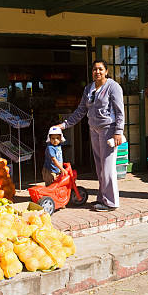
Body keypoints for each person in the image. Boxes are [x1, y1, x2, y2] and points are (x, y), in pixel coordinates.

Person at [55, 60, 125, 211]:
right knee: (100, 167)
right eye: (94, 69)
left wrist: (118, 131)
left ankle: (111, 202)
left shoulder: (113, 87)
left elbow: (120, 111)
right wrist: (64, 125)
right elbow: (80, 111)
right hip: (94, 130)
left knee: (107, 167)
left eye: (100, 69)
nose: (97, 72)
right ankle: (102, 198)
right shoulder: (89, 88)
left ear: (106, 71)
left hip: (108, 130)